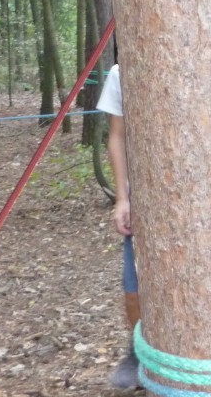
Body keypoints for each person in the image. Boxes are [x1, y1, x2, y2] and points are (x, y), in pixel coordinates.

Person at [96, 61, 141, 390]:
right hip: (143, 198)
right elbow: (117, 135)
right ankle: (139, 351)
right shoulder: (122, 72)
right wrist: (122, 198)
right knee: (133, 287)